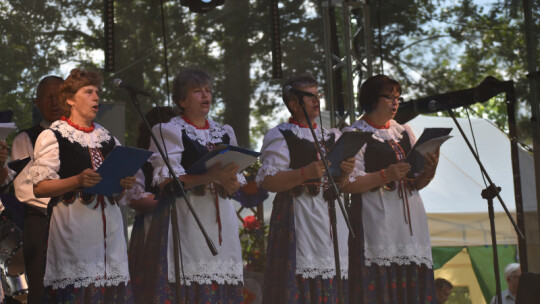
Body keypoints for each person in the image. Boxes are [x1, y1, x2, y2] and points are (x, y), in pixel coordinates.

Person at [29, 68, 135, 303]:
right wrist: (76, 181)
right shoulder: (54, 135)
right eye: (88, 92)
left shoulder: (108, 138)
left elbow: (117, 193)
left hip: (111, 230)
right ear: (69, 99)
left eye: (97, 92)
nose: (96, 97)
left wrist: (124, 184)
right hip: (74, 228)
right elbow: (40, 187)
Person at [146, 67, 245, 303]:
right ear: (181, 100)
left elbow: (235, 186)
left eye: (208, 90)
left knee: (223, 280)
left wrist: (230, 182)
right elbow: (167, 181)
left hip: (222, 219)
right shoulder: (168, 130)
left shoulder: (224, 132)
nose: (205, 96)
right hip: (187, 217)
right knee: (190, 283)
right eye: (197, 91)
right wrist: (209, 176)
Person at [257, 73, 355, 303]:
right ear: (293, 103)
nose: (316, 101)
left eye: (317, 95)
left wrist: (346, 171)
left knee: (332, 275)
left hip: (330, 217)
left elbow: (342, 184)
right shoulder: (281, 134)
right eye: (310, 96)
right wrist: (305, 173)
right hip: (299, 213)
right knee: (300, 279)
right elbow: (268, 180)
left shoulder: (332, 135)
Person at [341, 74, 440, 303]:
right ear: (371, 99)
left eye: (398, 97)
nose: (396, 102)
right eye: (389, 97)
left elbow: (417, 183)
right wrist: (385, 174)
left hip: (410, 221)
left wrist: (429, 171)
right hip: (377, 219)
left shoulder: (404, 131)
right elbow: (348, 185)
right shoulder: (355, 134)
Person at [11, 75, 63, 304]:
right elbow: (24, 189)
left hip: (78, 224)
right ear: (38, 103)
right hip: (42, 223)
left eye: (59, 96)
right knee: (43, 293)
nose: (54, 102)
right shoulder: (26, 138)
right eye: (48, 97)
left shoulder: (81, 138)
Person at [127, 106, 177, 303]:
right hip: (153, 227)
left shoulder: (182, 158)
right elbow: (136, 198)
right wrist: (170, 203)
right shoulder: (141, 159)